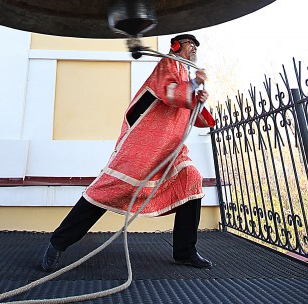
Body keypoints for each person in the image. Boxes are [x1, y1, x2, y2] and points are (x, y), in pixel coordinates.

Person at [41, 33, 215, 272]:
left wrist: (199, 100)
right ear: (176, 46)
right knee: (105, 191)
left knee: (191, 178)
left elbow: (192, 115)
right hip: (144, 147)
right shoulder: (168, 64)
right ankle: (57, 244)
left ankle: (185, 251)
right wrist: (194, 86)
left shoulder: (187, 72)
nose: (194, 47)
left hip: (171, 150)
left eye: (196, 44)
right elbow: (171, 94)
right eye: (189, 43)